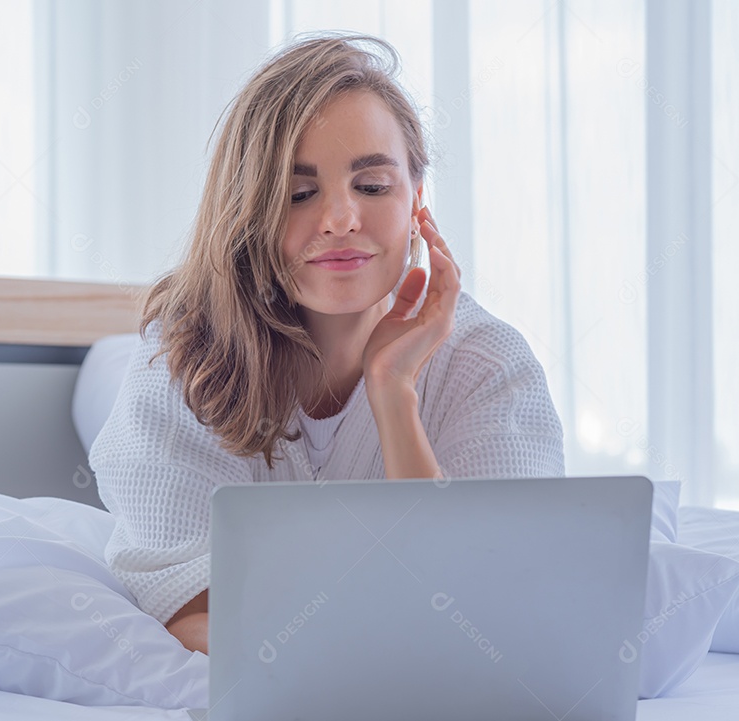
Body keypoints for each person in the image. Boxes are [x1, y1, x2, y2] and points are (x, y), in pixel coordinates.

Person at [88, 33, 564, 655]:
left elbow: (481, 616)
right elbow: (194, 616)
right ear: (248, 209)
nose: (341, 218)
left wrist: (394, 395)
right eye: (298, 194)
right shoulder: (184, 364)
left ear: (417, 200)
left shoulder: (488, 368)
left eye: (372, 186)